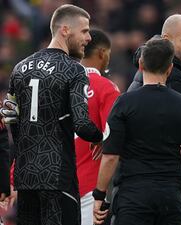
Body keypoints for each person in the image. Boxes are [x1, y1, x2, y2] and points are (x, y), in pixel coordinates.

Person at [6, 4, 103, 225]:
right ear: (65, 30)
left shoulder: (19, 68)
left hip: (26, 176)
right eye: (85, 31)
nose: (89, 38)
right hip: (58, 175)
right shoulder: (73, 70)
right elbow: (82, 124)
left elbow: (9, 116)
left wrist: (25, 144)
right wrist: (101, 138)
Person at [92, 38, 181, 225]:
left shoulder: (124, 103)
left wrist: (99, 195)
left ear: (141, 65)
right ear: (169, 69)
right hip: (170, 196)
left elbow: (110, 156)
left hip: (133, 198)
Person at [75, 29, 120, 225]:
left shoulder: (60, 83)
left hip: (53, 183)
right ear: (102, 53)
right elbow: (115, 136)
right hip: (89, 187)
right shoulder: (106, 88)